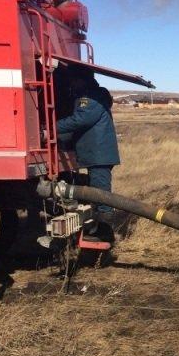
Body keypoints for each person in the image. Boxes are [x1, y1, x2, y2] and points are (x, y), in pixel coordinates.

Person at [56, 67, 119, 242]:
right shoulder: (94, 94)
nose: (72, 84)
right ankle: (100, 231)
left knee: (101, 195)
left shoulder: (89, 97)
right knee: (98, 192)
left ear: (81, 80)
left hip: (98, 154)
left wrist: (51, 129)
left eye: (74, 80)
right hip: (97, 153)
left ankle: (104, 234)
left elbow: (81, 120)